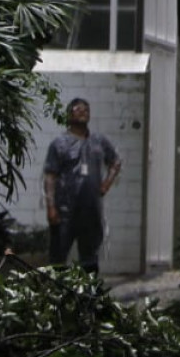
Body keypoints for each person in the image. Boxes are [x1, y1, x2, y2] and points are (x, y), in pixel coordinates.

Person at [43, 97, 122, 271]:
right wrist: (51, 207)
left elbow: (116, 161)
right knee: (59, 256)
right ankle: (58, 293)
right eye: (78, 110)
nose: (83, 112)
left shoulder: (99, 141)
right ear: (69, 115)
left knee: (90, 256)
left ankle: (88, 294)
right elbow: (50, 176)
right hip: (65, 210)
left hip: (90, 210)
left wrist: (106, 183)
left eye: (86, 110)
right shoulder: (59, 144)